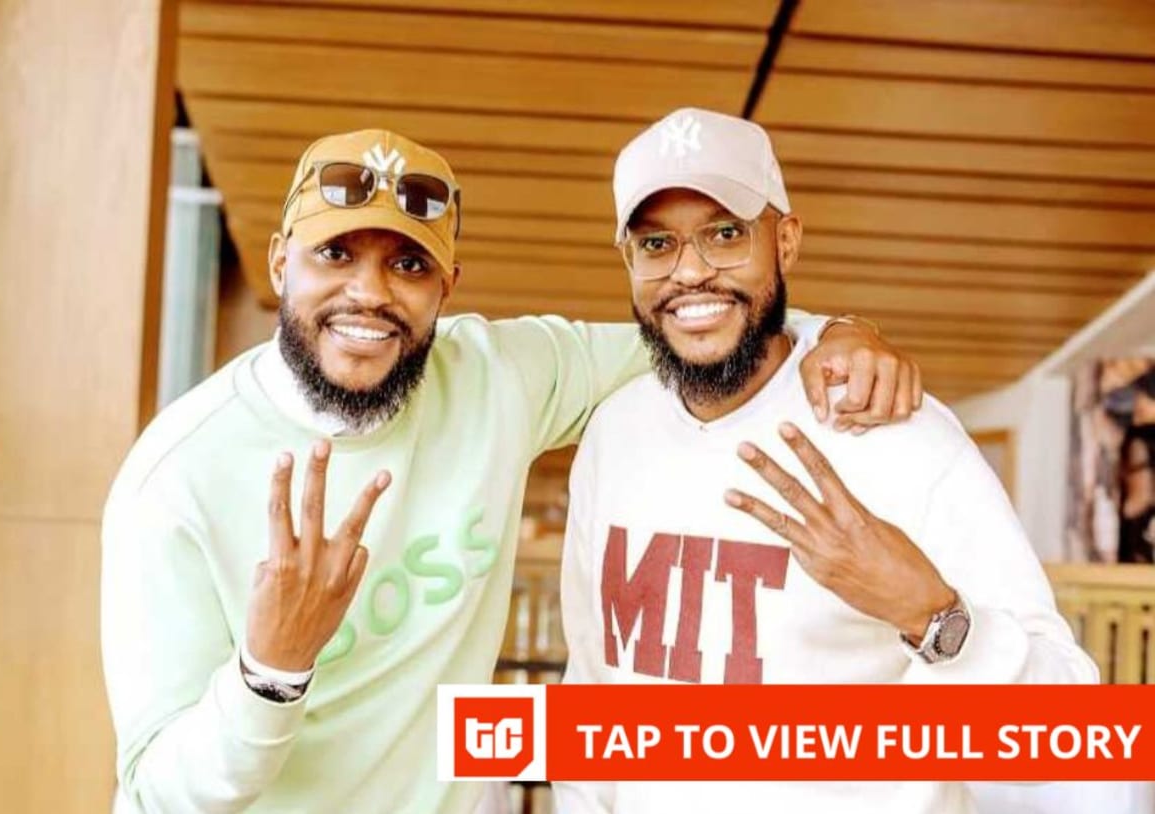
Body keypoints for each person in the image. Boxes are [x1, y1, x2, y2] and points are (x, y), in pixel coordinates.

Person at [101, 128, 922, 814]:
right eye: (336, 253)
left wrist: (838, 329)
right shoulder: (177, 478)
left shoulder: (497, 374)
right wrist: (270, 671)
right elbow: (154, 794)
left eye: (409, 265)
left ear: (448, 286)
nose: (369, 292)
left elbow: (695, 324)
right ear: (283, 263)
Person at [555, 108, 1099, 814]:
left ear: (785, 242)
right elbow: (594, 689)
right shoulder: (613, 432)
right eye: (658, 243)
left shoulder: (897, 431)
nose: (689, 271)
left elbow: (1073, 744)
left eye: (725, 234)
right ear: (629, 261)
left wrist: (932, 615)